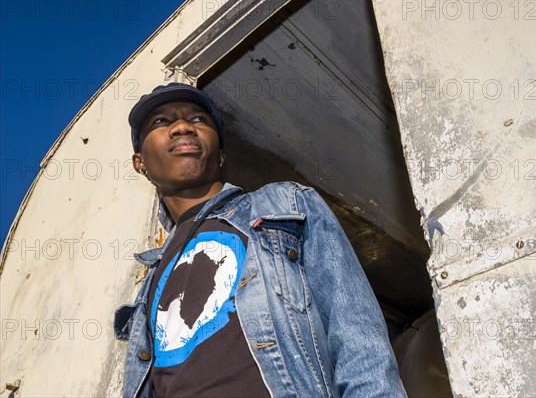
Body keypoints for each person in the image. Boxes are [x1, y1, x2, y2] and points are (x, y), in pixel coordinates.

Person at [114, 82, 407, 398]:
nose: (183, 126)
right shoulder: (148, 288)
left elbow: (356, 334)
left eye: (199, 119)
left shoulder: (286, 205)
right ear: (139, 162)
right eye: (162, 122)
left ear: (222, 154)